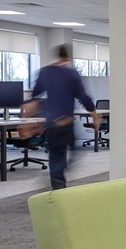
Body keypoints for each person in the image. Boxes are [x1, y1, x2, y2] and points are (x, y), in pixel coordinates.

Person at [30, 45, 97, 189]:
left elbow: (35, 94)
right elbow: (83, 97)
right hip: (65, 122)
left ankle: (57, 176)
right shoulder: (71, 74)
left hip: (50, 122)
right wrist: (94, 114)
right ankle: (58, 181)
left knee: (57, 155)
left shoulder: (45, 72)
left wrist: (34, 118)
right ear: (68, 57)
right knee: (66, 152)